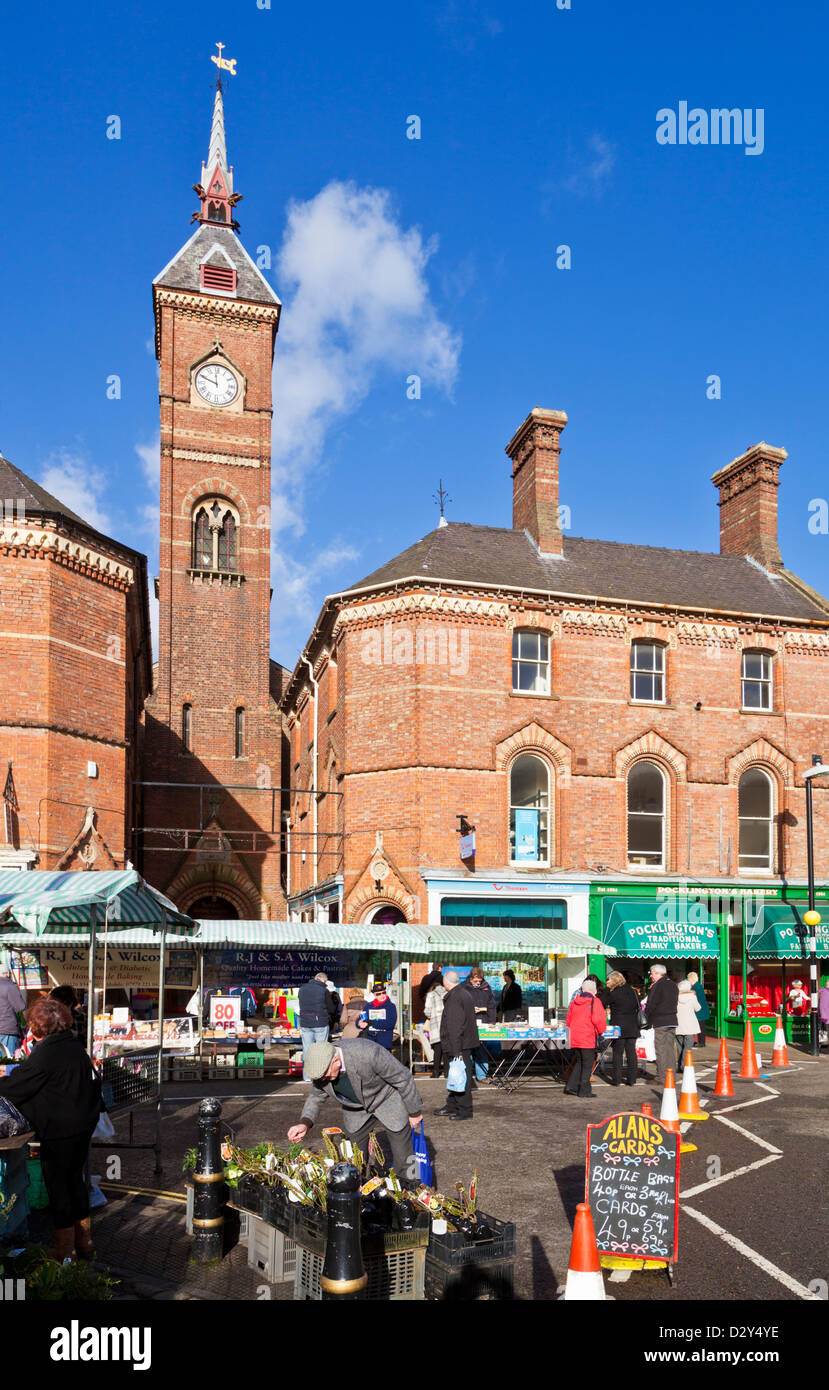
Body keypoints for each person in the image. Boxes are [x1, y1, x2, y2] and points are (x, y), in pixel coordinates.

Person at [0, 997, 101, 1262]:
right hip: (82, 1124)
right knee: (75, 1181)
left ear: (36, 1027)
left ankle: (65, 1252)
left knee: (59, 1187)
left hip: (60, 1129)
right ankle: (85, 1242)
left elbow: (18, 1086)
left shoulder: (45, 1053)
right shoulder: (73, 1045)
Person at [287, 1038, 423, 1184]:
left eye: (325, 1074)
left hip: (386, 1098)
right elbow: (316, 1096)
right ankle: (359, 1193)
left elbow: (403, 1078)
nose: (323, 1079)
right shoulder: (321, 1068)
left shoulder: (368, 1053)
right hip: (355, 1109)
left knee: (403, 1154)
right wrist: (304, 1123)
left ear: (337, 1061)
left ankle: (411, 1192)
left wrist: (414, 1112)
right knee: (354, 1158)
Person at [435, 971, 479, 1121]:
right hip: (463, 1043)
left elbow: (455, 1026)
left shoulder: (455, 997)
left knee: (461, 1077)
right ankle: (452, 1105)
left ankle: (464, 1110)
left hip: (459, 1045)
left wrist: (456, 1050)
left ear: (445, 982)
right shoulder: (463, 993)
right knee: (456, 1076)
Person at [564, 978, 607, 1098]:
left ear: (583, 989)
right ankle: (584, 1091)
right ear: (594, 991)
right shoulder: (595, 1001)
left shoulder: (574, 1002)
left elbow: (568, 1021)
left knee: (580, 1063)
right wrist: (601, 1031)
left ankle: (571, 1086)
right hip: (588, 1038)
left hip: (575, 1037)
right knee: (587, 1065)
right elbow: (598, 1020)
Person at [644, 964, 679, 1087]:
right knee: (669, 1050)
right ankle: (671, 1075)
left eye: (652, 973)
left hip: (660, 1020)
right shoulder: (673, 985)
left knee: (661, 1050)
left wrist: (646, 1019)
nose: (651, 976)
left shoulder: (657, 986)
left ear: (658, 973)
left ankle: (661, 1077)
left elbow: (651, 1004)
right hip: (672, 1020)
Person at [605, 970, 640, 1087]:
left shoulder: (614, 993)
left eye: (609, 979)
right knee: (631, 1053)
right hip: (632, 1025)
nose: (607, 982)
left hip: (618, 1026)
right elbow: (637, 1006)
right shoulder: (633, 992)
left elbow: (602, 1002)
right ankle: (632, 1079)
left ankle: (617, 1079)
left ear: (614, 980)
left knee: (618, 1053)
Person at [297, 973, 332, 1060]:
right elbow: (331, 1008)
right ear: (324, 980)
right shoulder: (324, 990)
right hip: (320, 1023)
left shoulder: (302, 989)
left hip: (305, 1022)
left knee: (307, 1050)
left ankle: (307, 1073)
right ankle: (319, 1072)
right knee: (320, 1051)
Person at [675, 980, 701, 1074]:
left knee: (679, 1047)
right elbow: (698, 1008)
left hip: (678, 1025)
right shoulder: (692, 997)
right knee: (687, 1047)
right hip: (690, 1026)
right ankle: (684, 1066)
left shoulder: (675, 997)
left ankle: (680, 1067)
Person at [423, 975, 447, 1078]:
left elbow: (427, 1011)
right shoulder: (447, 993)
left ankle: (436, 1072)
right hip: (447, 1025)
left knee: (437, 1051)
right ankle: (447, 1072)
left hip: (436, 1026)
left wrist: (432, 1015)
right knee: (446, 1050)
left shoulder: (431, 995)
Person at [0, 964, 25, 1058]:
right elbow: (20, 1007)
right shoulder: (10, 986)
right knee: (8, 1060)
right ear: (7, 974)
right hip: (7, 1029)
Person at [365, 980, 397, 1050]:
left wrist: (371, 1022)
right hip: (370, 1041)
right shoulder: (369, 1006)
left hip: (384, 1043)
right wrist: (359, 1023)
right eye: (378, 994)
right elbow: (362, 1018)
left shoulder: (391, 1006)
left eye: (383, 993)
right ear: (374, 995)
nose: (382, 995)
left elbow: (390, 1024)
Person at [685, 971, 710, 1047]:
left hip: (699, 1010)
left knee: (700, 1027)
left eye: (688, 979)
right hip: (701, 1009)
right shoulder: (698, 986)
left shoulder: (695, 987)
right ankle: (701, 1042)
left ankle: (701, 1043)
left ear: (691, 979)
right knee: (700, 1026)